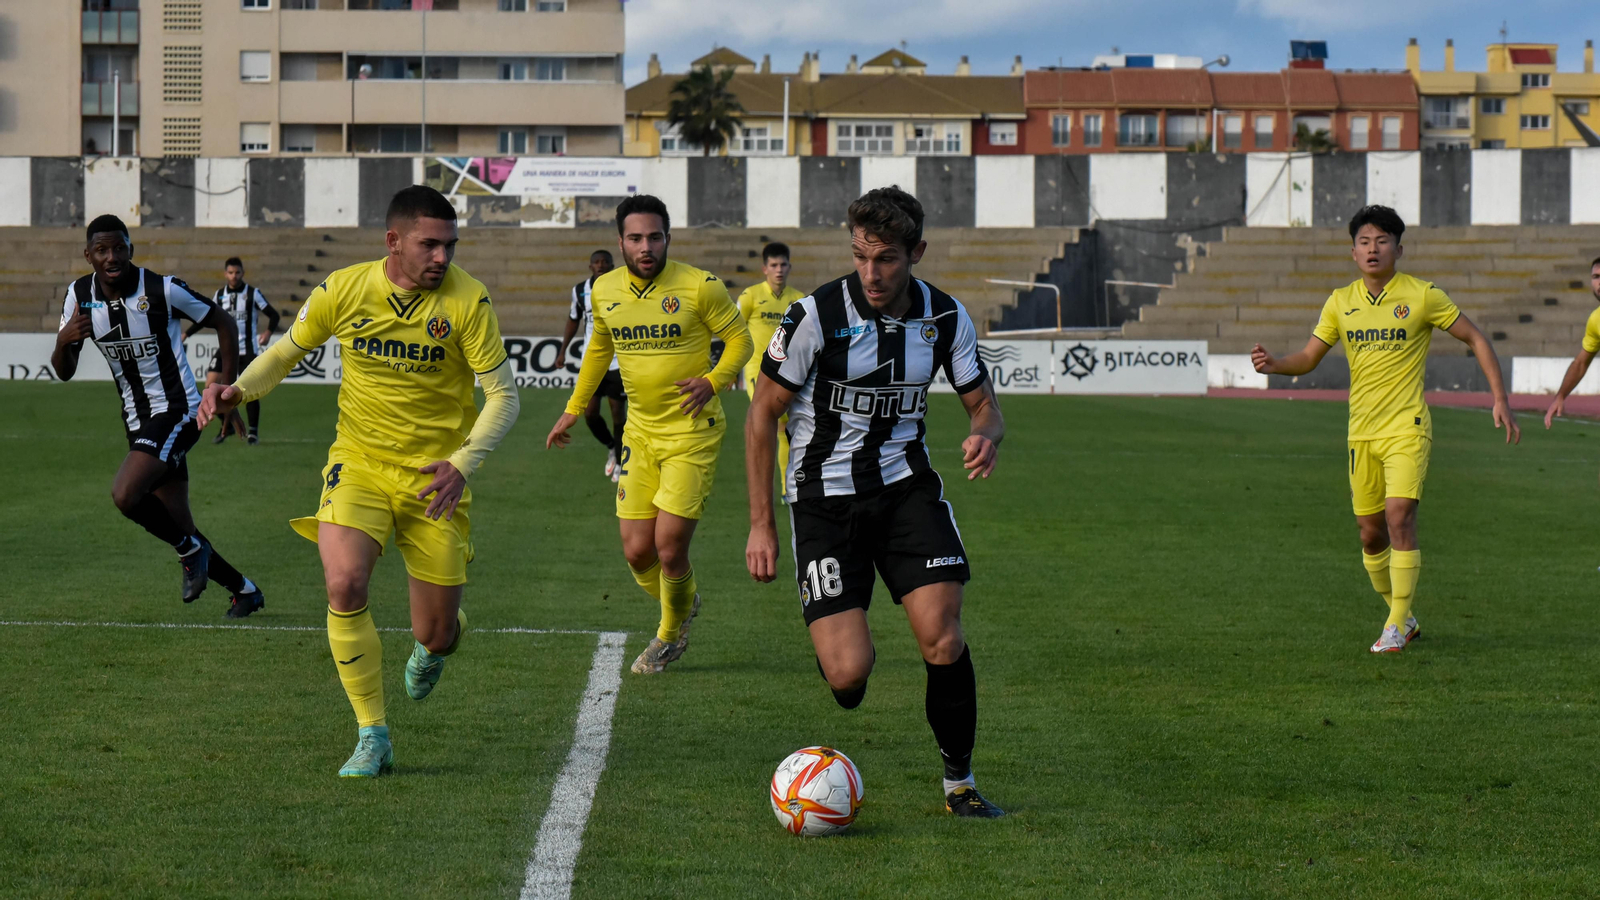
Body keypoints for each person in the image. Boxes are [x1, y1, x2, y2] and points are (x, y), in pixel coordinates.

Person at [200, 186, 520, 778]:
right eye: (430, 245)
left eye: (450, 246)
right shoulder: (344, 289)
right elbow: (286, 353)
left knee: (439, 633)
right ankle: (373, 734)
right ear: (393, 242)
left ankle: (439, 640)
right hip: (360, 463)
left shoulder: (469, 301)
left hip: (435, 479)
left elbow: (503, 396)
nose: (442, 258)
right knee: (344, 583)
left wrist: (462, 463)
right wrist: (236, 389)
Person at [745, 186, 1007, 819]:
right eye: (861, 256)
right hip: (822, 502)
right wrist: (761, 526)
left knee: (942, 637)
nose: (872, 272)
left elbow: (985, 407)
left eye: (887, 258)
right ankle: (841, 654)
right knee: (848, 676)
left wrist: (984, 436)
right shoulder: (815, 315)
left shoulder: (945, 318)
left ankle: (960, 786)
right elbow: (762, 417)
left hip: (906, 491)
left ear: (916, 252)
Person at [1251, 205, 1519, 654]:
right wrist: (1277, 364)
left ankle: (1394, 627)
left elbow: (1475, 337)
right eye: (1364, 241)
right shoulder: (1340, 301)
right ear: (1352, 251)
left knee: (1400, 517)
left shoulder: (1423, 295)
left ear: (1399, 248)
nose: (1372, 248)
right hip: (1361, 432)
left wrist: (1500, 399)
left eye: (1382, 240)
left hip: (1407, 427)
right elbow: (1309, 356)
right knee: (1369, 532)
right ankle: (1404, 614)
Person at [546, 195, 753, 675]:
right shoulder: (604, 290)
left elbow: (741, 340)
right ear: (619, 241)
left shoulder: (701, 287)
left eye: (654, 237)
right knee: (637, 551)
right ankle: (683, 601)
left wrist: (712, 381)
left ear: (668, 239)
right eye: (635, 238)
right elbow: (599, 347)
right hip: (639, 432)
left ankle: (668, 635)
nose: (646, 247)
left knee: (668, 547)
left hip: (691, 433)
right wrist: (574, 408)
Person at [50, 214, 266, 618]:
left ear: (130, 248)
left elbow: (223, 322)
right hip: (137, 422)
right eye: (102, 250)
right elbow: (64, 370)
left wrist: (227, 392)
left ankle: (190, 551)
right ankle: (244, 589)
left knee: (126, 494)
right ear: (88, 255)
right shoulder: (79, 296)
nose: (111, 256)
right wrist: (63, 340)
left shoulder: (161, 289)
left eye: (119, 247)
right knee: (178, 523)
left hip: (178, 410)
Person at [188, 257, 279, 444]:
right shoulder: (220, 295)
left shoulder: (253, 294)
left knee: (250, 389)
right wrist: (187, 333)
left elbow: (274, 315)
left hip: (247, 349)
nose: (234, 276)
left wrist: (269, 331)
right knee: (209, 388)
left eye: (237, 272)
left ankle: (253, 431)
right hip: (223, 349)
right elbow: (205, 317)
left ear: (242, 273)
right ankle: (227, 426)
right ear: (225, 274)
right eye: (230, 272)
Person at [738, 242, 805, 485]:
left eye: (783, 264)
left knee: (787, 431)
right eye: (774, 265)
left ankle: (789, 486)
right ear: (764, 268)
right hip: (758, 369)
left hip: (788, 371)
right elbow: (735, 333)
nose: (779, 270)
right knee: (775, 423)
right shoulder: (750, 296)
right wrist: (731, 369)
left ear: (790, 267)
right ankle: (783, 487)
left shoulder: (798, 300)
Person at [559, 249, 628, 481]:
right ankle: (611, 446)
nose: (601, 266)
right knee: (589, 413)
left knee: (619, 413)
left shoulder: (623, 287)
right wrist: (563, 350)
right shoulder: (580, 291)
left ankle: (620, 461)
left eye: (605, 262)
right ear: (590, 266)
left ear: (612, 265)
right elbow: (573, 320)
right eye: (596, 263)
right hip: (593, 360)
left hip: (619, 362)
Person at [1542, 257, 1600, 431]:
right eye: (1596, 277)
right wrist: (1560, 396)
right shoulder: (1596, 320)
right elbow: (1580, 363)